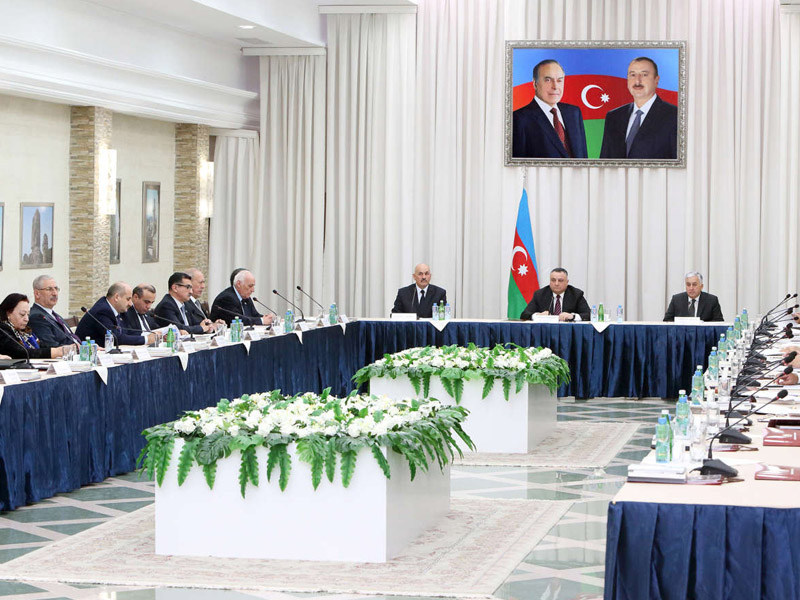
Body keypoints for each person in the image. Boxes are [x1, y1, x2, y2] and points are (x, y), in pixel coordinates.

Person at [599, 57, 678, 159]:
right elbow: (605, 161)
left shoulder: (675, 116)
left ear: (656, 80)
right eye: (632, 75)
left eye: (644, 75)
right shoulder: (613, 117)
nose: (637, 81)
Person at [512, 59, 588, 159]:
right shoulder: (519, 119)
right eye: (548, 80)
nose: (555, 86)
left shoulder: (574, 113)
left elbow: (583, 158)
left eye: (559, 80)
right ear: (535, 83)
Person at [75, 282, 158, 346]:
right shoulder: (103, 311)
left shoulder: (116, 310)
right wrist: (146, 339)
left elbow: (127, 332)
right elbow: (116, 338)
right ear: (117, 297)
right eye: (128, 299)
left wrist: (149, 335)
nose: (130, 303)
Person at [0, 293, 76, 359]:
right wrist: (56, 352)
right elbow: (22, 353)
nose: (27, 319)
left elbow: (42, 346)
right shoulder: (3, 330)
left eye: (28, 315)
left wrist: (63, 349)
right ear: (8, 313)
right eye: (22, 314)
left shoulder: (26, 332)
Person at [520, 267, 591, 321]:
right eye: (553, 280)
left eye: (560, 280)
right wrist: (538, 315)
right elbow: (524, 315)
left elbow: (588, 315)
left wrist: (572, 316)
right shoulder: (540, 294)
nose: (556, 284)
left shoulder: (576, 294)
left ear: (567, 282)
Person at [28, 275, 81, 346]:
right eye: (49, 289)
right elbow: (51, 346)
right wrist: (77, 348)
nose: (55, 293)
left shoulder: (54, 315)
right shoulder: (36, 317)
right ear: (37, 294)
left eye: (56, 289)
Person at [210, 270, 274, 326]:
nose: (253, 290)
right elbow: (239, 320)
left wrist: (267, 318)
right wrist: (262, 320)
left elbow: (254, 315)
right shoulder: (227, 298)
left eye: (253, 286)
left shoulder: (246, 297)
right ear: (238, 284)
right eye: (250, 286)